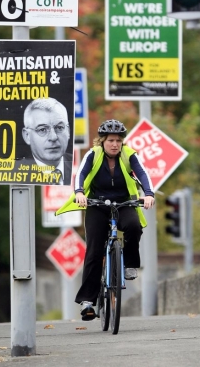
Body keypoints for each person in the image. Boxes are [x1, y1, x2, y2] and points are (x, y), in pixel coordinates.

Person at [55, 119, 154, 320]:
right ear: (102, 141)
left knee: (134, 226)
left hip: (124, 203)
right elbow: (80, 174)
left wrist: (149, 193)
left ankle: (129, 265)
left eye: (118, 140)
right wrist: (80, 192)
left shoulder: (129, 155)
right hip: (96, 205)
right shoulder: (94, 154)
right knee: (93, 250)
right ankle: (87, 302)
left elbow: (143, 174)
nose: (115, 144)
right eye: (110, 140)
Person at [22, 97, 72, 185]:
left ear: (68, 131)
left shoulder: (80, 166)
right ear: (27, 136)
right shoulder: (16, 173)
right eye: (42, 130)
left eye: (59, 127)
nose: (53, 137)